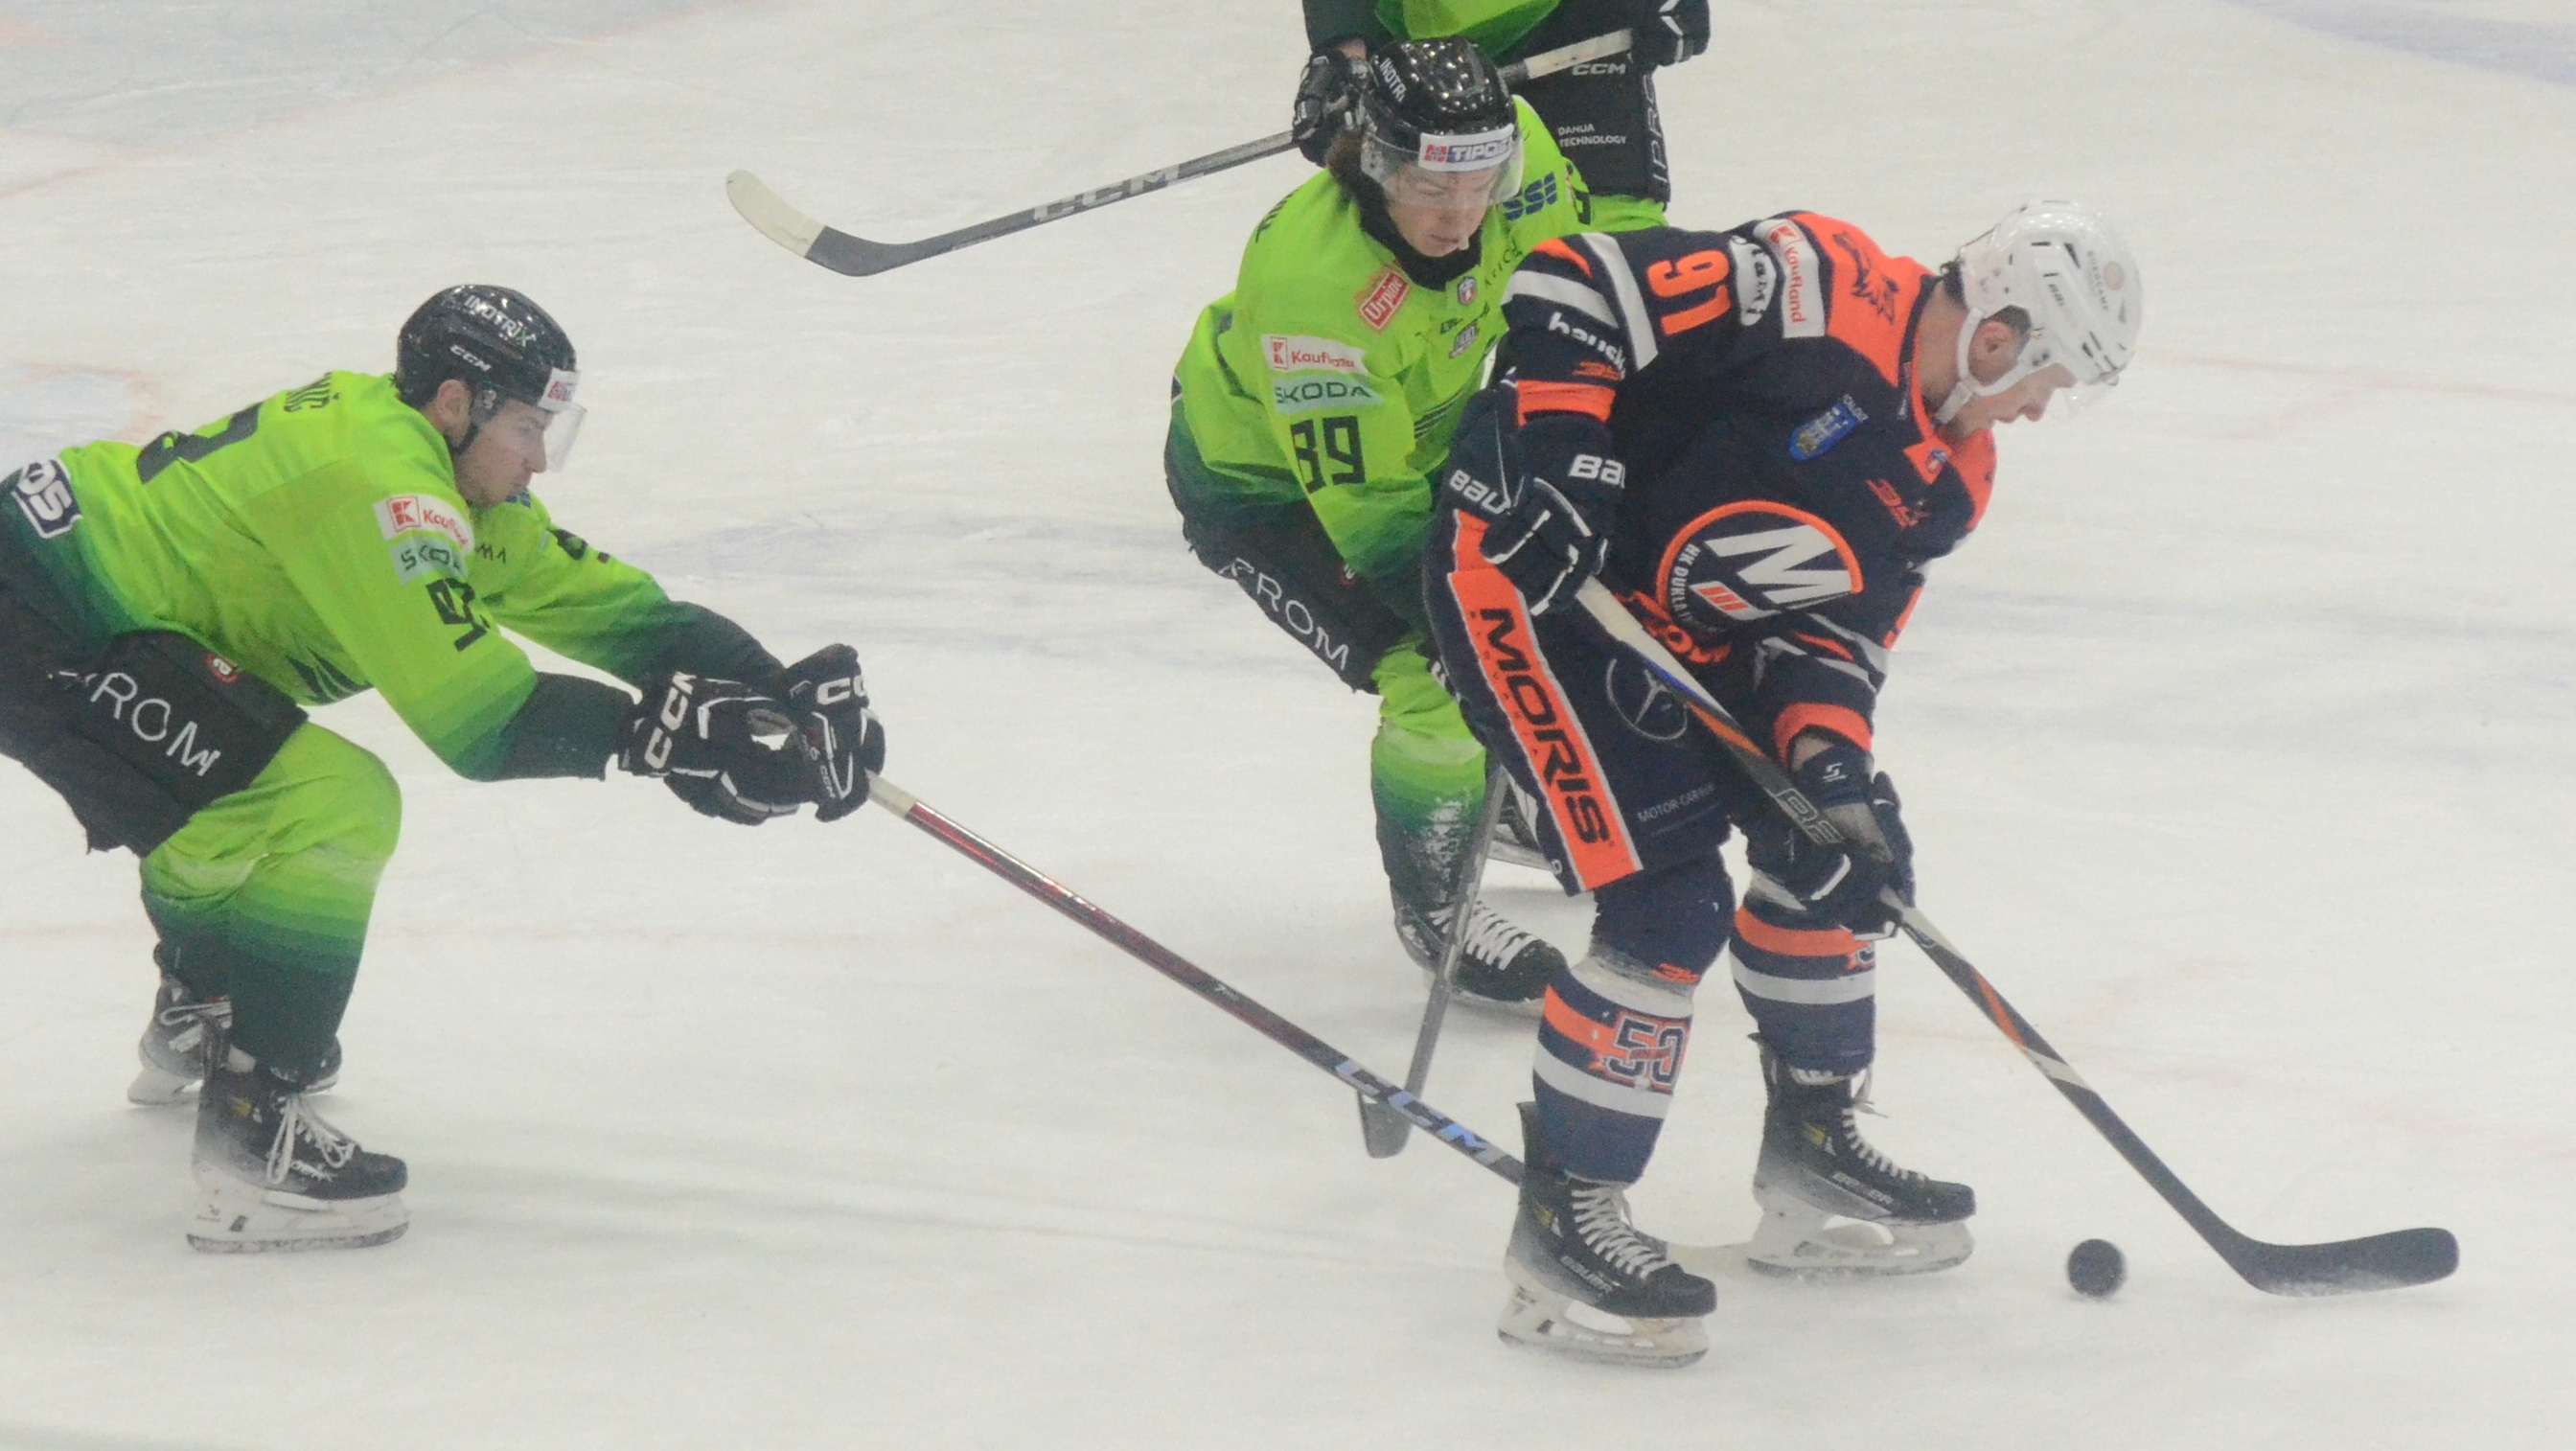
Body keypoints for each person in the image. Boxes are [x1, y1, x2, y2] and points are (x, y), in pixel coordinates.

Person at [0, 285, 885, 1253]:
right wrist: (664, 737)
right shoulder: (384, 487)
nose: (539, 458)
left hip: (78, 594)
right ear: (457, 403)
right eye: (527, 428)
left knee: (235, 790)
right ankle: (252, 1143)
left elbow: (616, 612)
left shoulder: (439, 468)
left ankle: (205, 1000)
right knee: (331, 801)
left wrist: (774, 689)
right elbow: (482, 723)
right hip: (45, 614)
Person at [1421, 201, 2142, 1363]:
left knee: (1837, 856)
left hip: (1686, 629)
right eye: (2048, 381)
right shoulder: (1813, 287)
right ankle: (1565, 1220)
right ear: (1999, 335)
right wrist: (1561, 459)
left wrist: (1832, 770)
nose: (2037, 409)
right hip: (1526, 580)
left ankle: (1812, 1148)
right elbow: (1573, 284)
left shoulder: (1952, 479)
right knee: (1668, 901)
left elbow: (1835, 638)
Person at [1165, 38, 1594, 1007]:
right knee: (1444, 665)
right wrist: (1482, 630)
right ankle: (1437, 905)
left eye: (1480, 185)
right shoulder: (1316, 293)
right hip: (1267, 490)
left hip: (1424, 433)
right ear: (1373, 162)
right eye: (1428, 188)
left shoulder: (1515, 144)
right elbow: (1376, 522)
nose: (1460, 215)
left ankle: (1493, 796)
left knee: (1557, 603)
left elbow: (1579, 296)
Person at [1294, 1, 1711, 231]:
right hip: (1421, 54)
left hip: (1574, 22)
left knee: (1615, 259)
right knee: (1425, 263)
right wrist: (1344, 47)